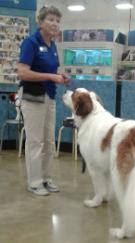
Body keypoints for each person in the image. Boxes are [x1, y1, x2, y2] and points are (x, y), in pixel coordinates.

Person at [17, 6, 69, 196]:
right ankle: (35, 182)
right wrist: (49, 75)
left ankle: (47, 178)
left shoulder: (52, 45)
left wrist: (59, 75)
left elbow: (51, 71)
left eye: (57, 20)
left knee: (49, 141)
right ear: (40, 22)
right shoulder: (30, 42)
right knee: (35, 142)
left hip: (50, 96)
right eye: (51, 20)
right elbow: (22, 72)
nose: (55, 24)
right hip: (33, 98)